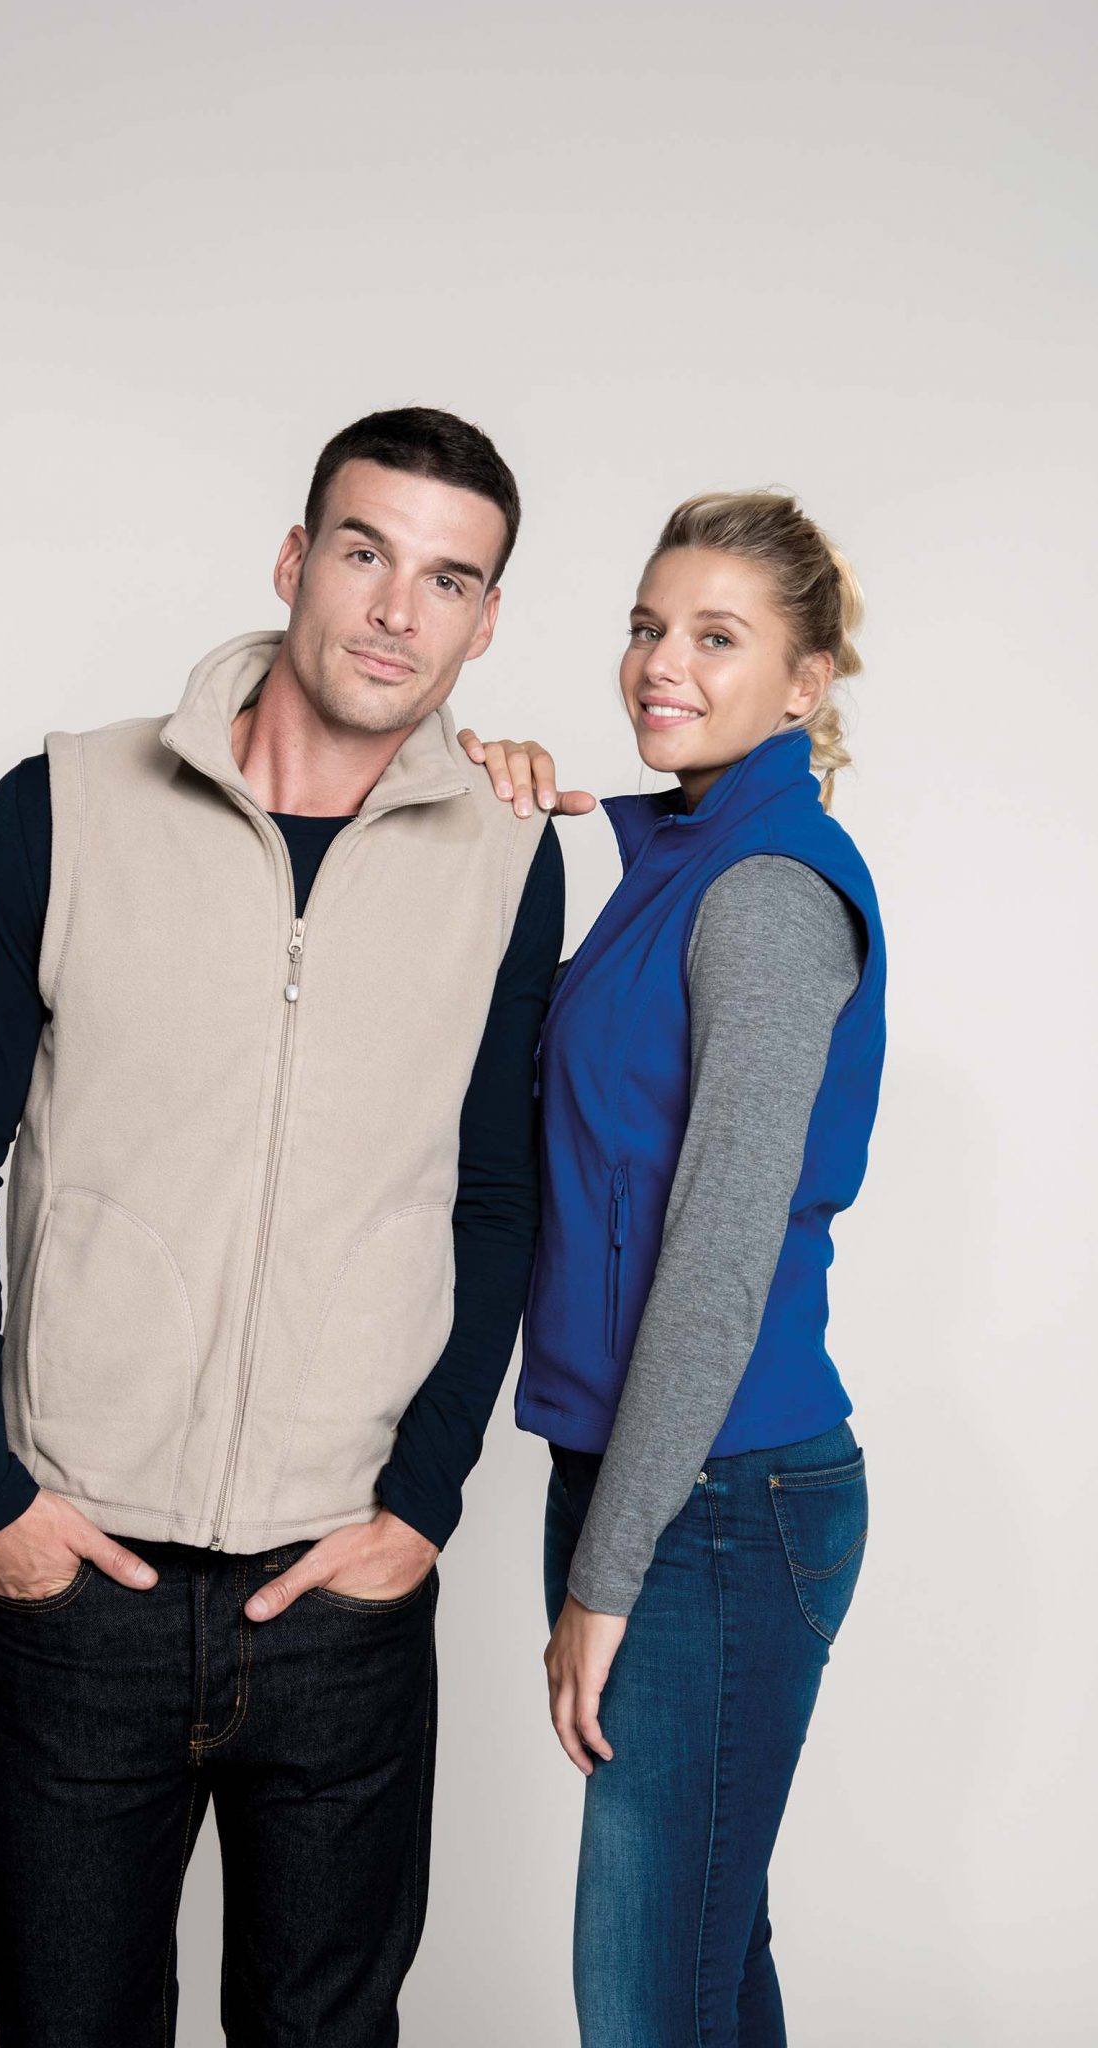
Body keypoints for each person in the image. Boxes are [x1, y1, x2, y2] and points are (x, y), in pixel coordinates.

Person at [0, 406, 564, 2046]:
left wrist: (421, 1505)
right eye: (365, 552)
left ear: (486, 623)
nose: (397, 609)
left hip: (344, 1596)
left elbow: (496, 1196)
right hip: (80, 1585)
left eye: (449, 579)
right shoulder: (61, 807)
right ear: (292, 560)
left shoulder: (508, 859)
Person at [459, 491, 887, 2046]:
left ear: (804, 682)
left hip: (717, 1497)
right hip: (647, 1477)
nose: (661, 663)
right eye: (649, 626)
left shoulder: (765, 892)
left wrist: (608, 1573)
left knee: (648, 2001)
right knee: (705, 1960)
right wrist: (462, 804)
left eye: (717, 637)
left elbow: (713, 1262)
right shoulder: (671, 865)